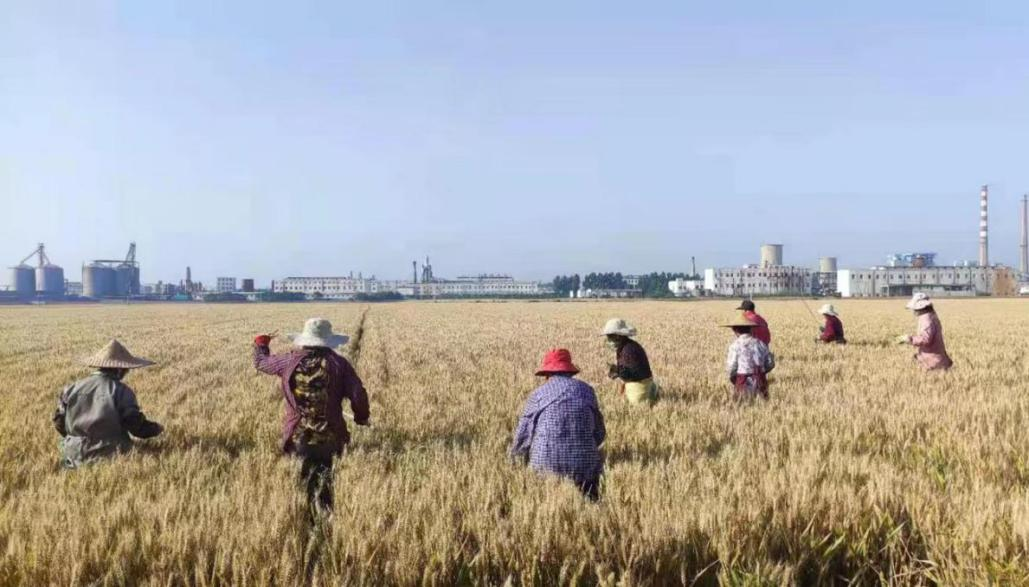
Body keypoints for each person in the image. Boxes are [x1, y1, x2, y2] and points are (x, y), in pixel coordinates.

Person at [253, 317, 370, 517]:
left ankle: (304, 518)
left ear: (305, 340)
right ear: (329, 341)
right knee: (325, 478)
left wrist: (261, 344)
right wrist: (361, 417)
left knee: (303, 477)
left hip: (299, 435)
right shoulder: (339, 364)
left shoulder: (289, 361)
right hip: (330, 435)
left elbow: (261, 363)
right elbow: (357, 393)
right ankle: (325, 517)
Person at [510, 349, 606, 501]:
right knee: (590, 499)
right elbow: (599, 434)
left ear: (547, 374)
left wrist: (514, 463)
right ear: (570, 372)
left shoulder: (538, 394)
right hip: (585, 471)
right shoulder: (588, 391)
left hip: (545, 470)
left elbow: (523, 437)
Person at [52, 340, 164, 469]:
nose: (127, 372)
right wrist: (157, 428)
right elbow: (136, 426)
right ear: (119, 369)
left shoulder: (70, 388)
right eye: (126, 369)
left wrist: (79, 440)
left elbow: (59, 422)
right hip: (112, 457)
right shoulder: (121, 391)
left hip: (73, 457)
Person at [602, 318, 658, 406]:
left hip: (640, 386)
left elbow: (630, 374)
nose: (608, 339)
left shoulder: (628, 350)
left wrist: (617, 371)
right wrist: (617, 370)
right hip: (643, 381)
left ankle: (649, 394)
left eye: (610, 336)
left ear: (618, 336)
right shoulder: (627, 345)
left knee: (634, 405)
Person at [723, 312, 775, 401]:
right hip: (760, 380)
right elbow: (770, 363)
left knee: (742, 406)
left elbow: (731, 367)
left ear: (735, 330)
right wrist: (761, 371)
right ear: (751, 329)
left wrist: (734, 378)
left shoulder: (735, 346)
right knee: (763, 409)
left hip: (742, 381)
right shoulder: (760, 343)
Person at [897, 293, 953, 371]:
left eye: (915, 309)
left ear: (920, 308)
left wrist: (909, 339)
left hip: (932, 361)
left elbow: (926, 339)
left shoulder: (926, 319)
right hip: (935, 357)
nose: (914, 311)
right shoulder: (931, 315)